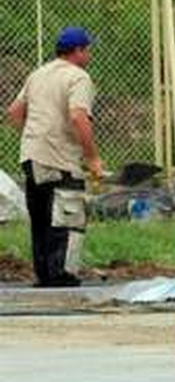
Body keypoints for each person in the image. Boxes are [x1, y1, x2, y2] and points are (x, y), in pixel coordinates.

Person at [5, 26, 102, 288]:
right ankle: (62, 275)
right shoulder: (78, 77)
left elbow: (14, 112)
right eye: (87, 49)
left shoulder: (38, 74)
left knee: (40, 218)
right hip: (60, 159)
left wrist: (36, 134)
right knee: (67, 214)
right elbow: (78, 116)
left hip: (31, 156)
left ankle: (44, 275)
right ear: (78, 51)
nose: (89, 55)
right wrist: (92, 157)